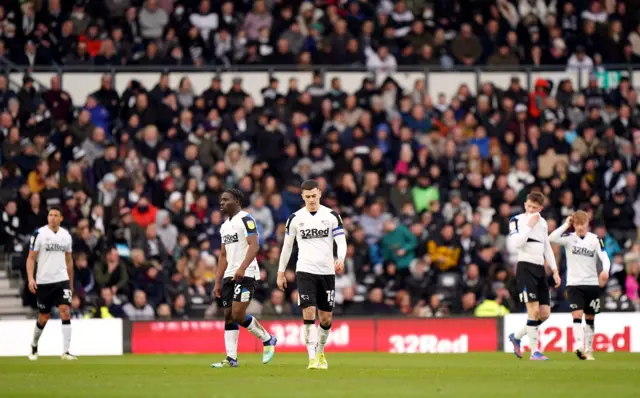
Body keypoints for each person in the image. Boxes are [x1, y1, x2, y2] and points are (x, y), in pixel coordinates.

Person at [277, 179, 347, 370]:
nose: (311, 200)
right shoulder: (295, 218)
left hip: (326, 271)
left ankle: (321, 351)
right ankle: (311, 358)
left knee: (325, 319)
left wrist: (340, 258)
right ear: (302, 197)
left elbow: (341, 241)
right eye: (307, 197)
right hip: (305, 270)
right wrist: (281, 272)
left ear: (320, 194)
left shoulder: (332, 216)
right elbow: (287, 247)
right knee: (308, 312)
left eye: (314, 196)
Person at [211, 189, 276, 368]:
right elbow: (223, 255)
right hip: (229, 275)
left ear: (237, 200)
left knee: (238, 314)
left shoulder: (246, 219)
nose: (222, 203)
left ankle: (268, 339)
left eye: (226, 200)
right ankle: (231, 358)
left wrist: (241, 268)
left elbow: (254, 246)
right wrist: (218, 280)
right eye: (220, 200)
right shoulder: (224, 226)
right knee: (228, 316)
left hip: (246, 273)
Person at [548, 211, 610, 360]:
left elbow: (604, 256)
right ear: (574, 224)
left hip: (591, 283)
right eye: (577, 224)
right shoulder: (569, 239)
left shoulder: (595, 239)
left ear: (587, 224)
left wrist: (605, 270)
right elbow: (551, 238)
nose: (580, 227)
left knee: (590, 317)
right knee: (576, 314)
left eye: (582, 224)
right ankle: (579, 346)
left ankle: (588, 349)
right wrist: (566, 224)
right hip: (574, 283)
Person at [507, 191, 561, 361]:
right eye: (529, 206)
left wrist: (555, 269)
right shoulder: (517, 220)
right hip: (525, 268)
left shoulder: (543, 223)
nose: (531, 210)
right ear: (525, 205)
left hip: (540, 270)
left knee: (544, 313)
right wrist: (529, 225)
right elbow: (517, 243)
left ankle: (516, 336)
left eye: (534, 208)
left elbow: (546, 247)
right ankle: (535, 352)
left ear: (541, 208)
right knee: (533, 310)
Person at [26, 207, 76, 360]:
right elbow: (31, 258)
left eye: (56, 215)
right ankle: (34, 345)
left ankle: (66, 351)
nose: (53, 218)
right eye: (50, 215)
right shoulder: (39, 234)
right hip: (44, 281)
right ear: (47, 218)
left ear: (61, 218)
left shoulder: (66, 236)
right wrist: (31, 279)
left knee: (65, 310)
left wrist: (71, 283)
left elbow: (69, 260)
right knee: (44, 316)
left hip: (61, 280)